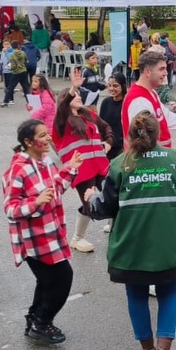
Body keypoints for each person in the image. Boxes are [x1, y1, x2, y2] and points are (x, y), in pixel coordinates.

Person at [90, 111, 176, 350]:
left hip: (132, 247)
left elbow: (104, 208)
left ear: (129, 136)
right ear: (157, 134)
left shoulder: (119, 164)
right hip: (169, 245)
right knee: (169, 293)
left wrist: (91, 197)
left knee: (136, 295)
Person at [2, 118, 83, 344]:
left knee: (47, 281)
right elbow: (10, 209)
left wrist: (71, 169)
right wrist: (35, 202)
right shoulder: (18, 169)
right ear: (28, 142)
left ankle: (35, 319)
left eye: (47, 134)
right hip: (33, 241)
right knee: (62, 278)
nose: (48, 138)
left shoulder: (46, 161)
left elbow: (55, 189)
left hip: (52, 234)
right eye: (42, 135)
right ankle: (42, 322)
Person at [53, 80, 114, 253]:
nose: (79, 97)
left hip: (101, 166)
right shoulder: (62, 121)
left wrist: (108, 142)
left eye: (79, 94)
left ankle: (114, 228)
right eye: (75, 95)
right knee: (89, 203)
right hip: (82, 170)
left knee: (111, 196)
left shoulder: (88, 114)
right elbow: (62, 109)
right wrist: (73, 88)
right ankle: (77, 238)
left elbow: (106, 127)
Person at [121, 51, 176, 147]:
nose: (166, 73)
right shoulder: (139, 101)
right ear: (148, 72)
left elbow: (166, 117)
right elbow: (141, 142)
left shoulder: (151, 92)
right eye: (161, 69)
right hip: (152, 156)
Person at [99, 73, 127, 162]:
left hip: (122, 148)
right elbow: (101, 125)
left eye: (115, 86)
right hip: (107, 146)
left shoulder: (127, 103)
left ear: (123, 86)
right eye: (109, 85)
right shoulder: (106, 102)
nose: (111, 88)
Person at [2, 40, 31, 107]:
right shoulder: (23, 53)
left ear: (12, 46)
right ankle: (30, 101)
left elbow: (13, 65)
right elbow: (26, 61)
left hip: (16, 72)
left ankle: (5, 101)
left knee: (10, 87)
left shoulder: (12, 55)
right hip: (23, 71)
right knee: (26, 87)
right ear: (18, 46)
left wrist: (10, 68)